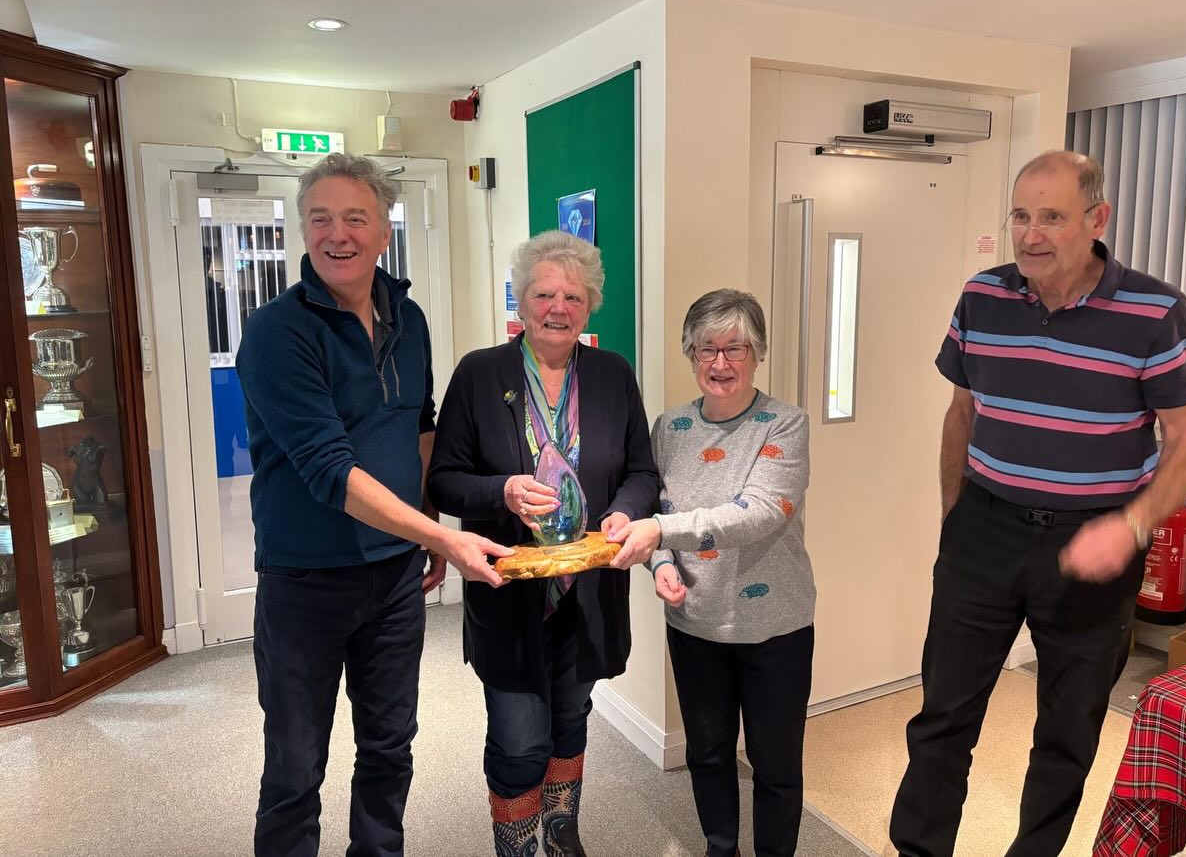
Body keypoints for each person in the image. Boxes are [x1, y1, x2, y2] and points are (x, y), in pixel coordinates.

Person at [889, 150, 1186, 857]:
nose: (1030, 234)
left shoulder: (1155, 311)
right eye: (1020, 215)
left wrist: (1130, 528)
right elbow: (960, 413)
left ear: (1096, 219)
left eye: (1051, 217)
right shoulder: (982, 296)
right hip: (984, 528)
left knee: (1066, 728)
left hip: (1097, 541)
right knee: (941, 717)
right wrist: (954, 515)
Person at [237, 152, 510, 857]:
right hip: (304, 580)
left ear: (383, 230)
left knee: (390, 748)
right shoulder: (277, 332)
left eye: (354, 217)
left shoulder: (407, 316)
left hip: (392, 580)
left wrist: (419, 529)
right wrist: (445, 537)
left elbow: (417, 424)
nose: (337, 234)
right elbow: (331, 470)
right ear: (302, 228)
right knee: (296, 765)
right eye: (320, 218)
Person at [427, 230, 659, 857]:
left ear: (590, 306)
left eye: (573, 296)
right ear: (521, 301)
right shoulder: (480, 373)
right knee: (520, 736)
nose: (559, 307)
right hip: (509, 590)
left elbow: (643, 471)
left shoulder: (613, 373)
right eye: (544, 294)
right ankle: (518, 848)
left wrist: (624, 513)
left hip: (590, 588)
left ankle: (561, 836)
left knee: (570, 718)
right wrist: (501, 490)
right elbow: (443, 479)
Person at [607, 288, 815, 857]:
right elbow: (656, 510)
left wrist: (659, 537)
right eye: (706, 349)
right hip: (694, 625)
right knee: (709, 752)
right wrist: (661, 564)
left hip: (777, 628)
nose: (720, 363)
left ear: (758, 353)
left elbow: (761, 512)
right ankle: (720, 847)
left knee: (775, 765)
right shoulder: (669, 428)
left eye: (735, 348)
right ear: (689, 353)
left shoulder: (785, 424)